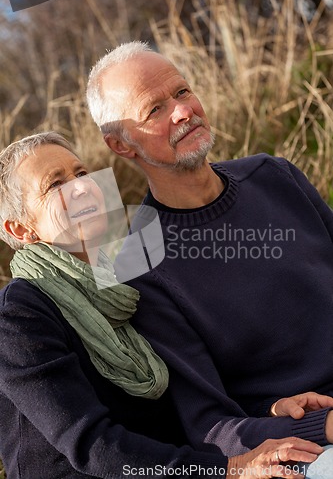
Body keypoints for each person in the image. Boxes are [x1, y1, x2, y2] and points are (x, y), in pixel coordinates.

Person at [0, 131, 318, 479]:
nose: (80, 188)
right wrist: (230, 469)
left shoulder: (127, 280)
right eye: (55, 184)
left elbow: (188, 403)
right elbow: (94, 446)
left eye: (81, 173)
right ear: (20, 229)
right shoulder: (19, 314)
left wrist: (266, 411)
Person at [85, 41, 333, 462]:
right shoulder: (138, 267)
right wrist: (318, 426)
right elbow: (211, 427)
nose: (183, 111)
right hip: (312, 444)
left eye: (182, 92)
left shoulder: (275, 176)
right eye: (154, 110)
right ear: (122, 145)